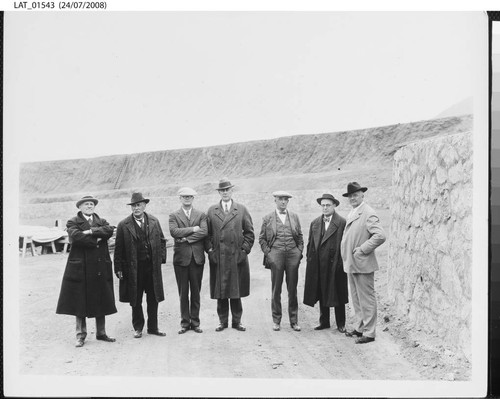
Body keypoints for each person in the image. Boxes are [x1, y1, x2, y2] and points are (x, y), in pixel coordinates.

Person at [56, 195, 117, 347]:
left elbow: (109, 230)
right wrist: (96, 239)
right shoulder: (73, 221)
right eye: (86, 204)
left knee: (101, 298)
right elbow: (75, 237)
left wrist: (90, 232)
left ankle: (101, 333)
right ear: (80, 207)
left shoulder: (100, 220)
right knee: (79, 300)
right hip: (81, 267)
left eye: (91, 204)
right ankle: (80, 335)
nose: (89, 206)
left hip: (99, 266)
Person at [114, 192, 167, 338]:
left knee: (153, 298)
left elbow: (162, 241)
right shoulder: (123, 225)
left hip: (151, 268)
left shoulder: (154, 221)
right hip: (133, 269)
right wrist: (118, 268)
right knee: (135, 299)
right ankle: (138, 328)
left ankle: (153, 328)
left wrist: (160, 259)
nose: (136, 208)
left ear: (144, 205)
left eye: (138, 205)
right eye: (133, 206)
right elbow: (118, 249)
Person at [206, 178, 255, 332]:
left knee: (236, 290)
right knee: (221, 291)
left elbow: (249, 233)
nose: (225, 192)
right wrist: (210, 252)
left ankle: (237, 321)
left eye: (227, 190)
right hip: (219, 257)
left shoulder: (241, 209)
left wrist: (244, 250)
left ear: (232, 191)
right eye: (222, 190)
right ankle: (222, 321)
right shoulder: (212, 211)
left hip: (236, 257)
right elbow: (206, 235)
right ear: (219, 193)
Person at [341, 182, 386, 344]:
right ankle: (360, 327)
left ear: (362, 195)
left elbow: (380, 235)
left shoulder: (368, 212)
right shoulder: (354, 211)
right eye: (350, 196)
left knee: (366, 298)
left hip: (363, 262)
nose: (352, 198)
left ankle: (369, 332)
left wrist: (362, 249)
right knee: (356, 298)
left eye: (355, 195)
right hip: (353, 264)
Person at [259, 191, 303, 332]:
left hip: (292, 255)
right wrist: (269, 254)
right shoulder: (267, 218)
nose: (283, 202)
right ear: (275, 201)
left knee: (292, 289)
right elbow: (262, 239)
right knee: (276, 289)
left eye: (285, 199)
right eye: (280, 199)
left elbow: (300, 236)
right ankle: (276, 320)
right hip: (276, 255)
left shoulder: (295, 217)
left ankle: (294, 321)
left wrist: (299, 252)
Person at [303, 193, 348, 333]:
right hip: (319, 264)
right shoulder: (315, 223)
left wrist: (342, 262)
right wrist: (310, 261)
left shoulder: (341, 222)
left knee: (338, 292)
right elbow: (310, 245)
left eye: (328, 205)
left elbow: (345, 244)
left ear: (334, 205)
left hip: (336, 264)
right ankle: (324, 321)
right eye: (323, 205)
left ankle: (341, 323)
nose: (325, 208)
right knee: (322, 291)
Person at [169, 187, 208, 334]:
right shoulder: (174, 215)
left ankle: (195, 322)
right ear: (180, 198)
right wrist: (193, 229)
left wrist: (186, 238)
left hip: (197, 258)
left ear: (193, 198)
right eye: (184, 196)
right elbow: (174, 232)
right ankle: (185, 323)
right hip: (181, 259)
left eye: (190, 197)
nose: (187, 199)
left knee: (196, 292)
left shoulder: (201, 215)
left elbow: (204, 231)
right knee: (183, 292)